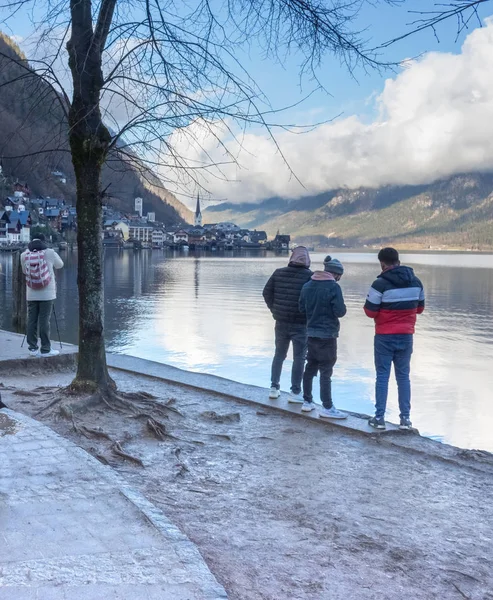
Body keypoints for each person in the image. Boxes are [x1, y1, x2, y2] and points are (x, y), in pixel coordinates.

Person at [364, 247, 425, 430]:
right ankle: (405, 419)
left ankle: (379, 418)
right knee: (403, 377)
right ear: (398, 260)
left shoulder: (379, 284)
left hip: (384, 336)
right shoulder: (416, 282)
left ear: (382, 263)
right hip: (406, 335)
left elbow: (369, 311)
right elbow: (420, 309)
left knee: (382, 376)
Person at [299, 256, 347, 419]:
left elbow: (301, 308)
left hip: (311, 332)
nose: (339, 279)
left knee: (310, 366)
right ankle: (327, 406)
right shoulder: (333, 288)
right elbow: (340, 311)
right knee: (326, 370)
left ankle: (307, 402)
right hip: (328, 334)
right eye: (340, 276)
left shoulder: (307, 285)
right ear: (336, 274)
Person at [263, 246, 312, 402]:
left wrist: (274, 309)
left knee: (279, 354)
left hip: (281, 322)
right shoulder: (310, 277)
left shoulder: (278, 273)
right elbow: (312, 300)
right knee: (299, 358)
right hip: (301, 324)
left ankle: (273, 387)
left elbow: (266, 293)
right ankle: (295, 393)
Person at [21, 234, 64, 357]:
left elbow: (24, 271)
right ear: (43, 241)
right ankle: (45, 349)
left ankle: (32, 348)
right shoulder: (49, 252)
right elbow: (60, 264)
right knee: (45, 321)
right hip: (47, 293)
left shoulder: (24, 255)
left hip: (31, 293)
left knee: (32, 320)